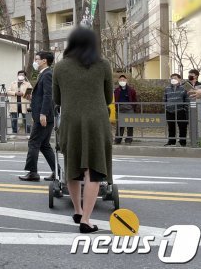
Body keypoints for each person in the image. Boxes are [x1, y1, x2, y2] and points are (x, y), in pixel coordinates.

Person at [53, 27, 113, 234]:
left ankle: (78, 211)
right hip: (97, 121)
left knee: (73, 167)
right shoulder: (103, 65)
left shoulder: (59, 67)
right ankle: (86, 220)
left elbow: (57, 99)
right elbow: (109, 98)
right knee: (94, 170)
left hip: (70, 121)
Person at [19, 52, 56, 182]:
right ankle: (56, 171)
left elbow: (48, 95)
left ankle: (33, 172)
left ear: (44, 61)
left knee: (34, 142)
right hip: (44, 114)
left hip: (43, 115)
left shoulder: (47, 74)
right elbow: (42, 95)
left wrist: (43, 114)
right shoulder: (44, 74)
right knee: (44, 145)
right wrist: (31, 96)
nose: (35, 62)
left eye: (37, 59)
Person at [164, 73, 189, 147]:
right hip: (169, 110)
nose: (173, 80)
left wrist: (185, 108)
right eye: (172, 78)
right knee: (171, 127)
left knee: (182, 126)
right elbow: (164, 98)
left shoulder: (184, 88)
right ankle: (171, 141)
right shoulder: (167, 88)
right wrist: (166, 106)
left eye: (175, 78)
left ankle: (182, 142)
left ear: (179, 79)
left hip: (180, 110)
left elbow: (187, 100)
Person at [114, 75, 138, 145]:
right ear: (119, 81)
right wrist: (116, 108)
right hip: (120, 108)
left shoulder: (131, 90)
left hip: (129, 108)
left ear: (126, 81)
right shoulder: (117, 90)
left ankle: (129, 139)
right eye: (121, 80)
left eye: (123, 80)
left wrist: (133, 107)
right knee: (119, 125)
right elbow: (115, 100)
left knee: (130, 124)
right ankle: (118, 139)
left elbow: (134, 100)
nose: (122, 81)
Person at [7, 70, 32, 135]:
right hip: (15, 104)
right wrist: (15, 93)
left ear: (25, 76)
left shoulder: (28, 84)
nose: (21, 76)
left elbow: (30, 94)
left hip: (24, 104)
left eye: (22, 75)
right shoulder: (13, 83)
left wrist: (22, 94)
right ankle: (14, 133)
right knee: (14, 120)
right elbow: (8, 91)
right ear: (17, 75)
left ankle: (28, 133)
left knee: (27, 119)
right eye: (19, 74)